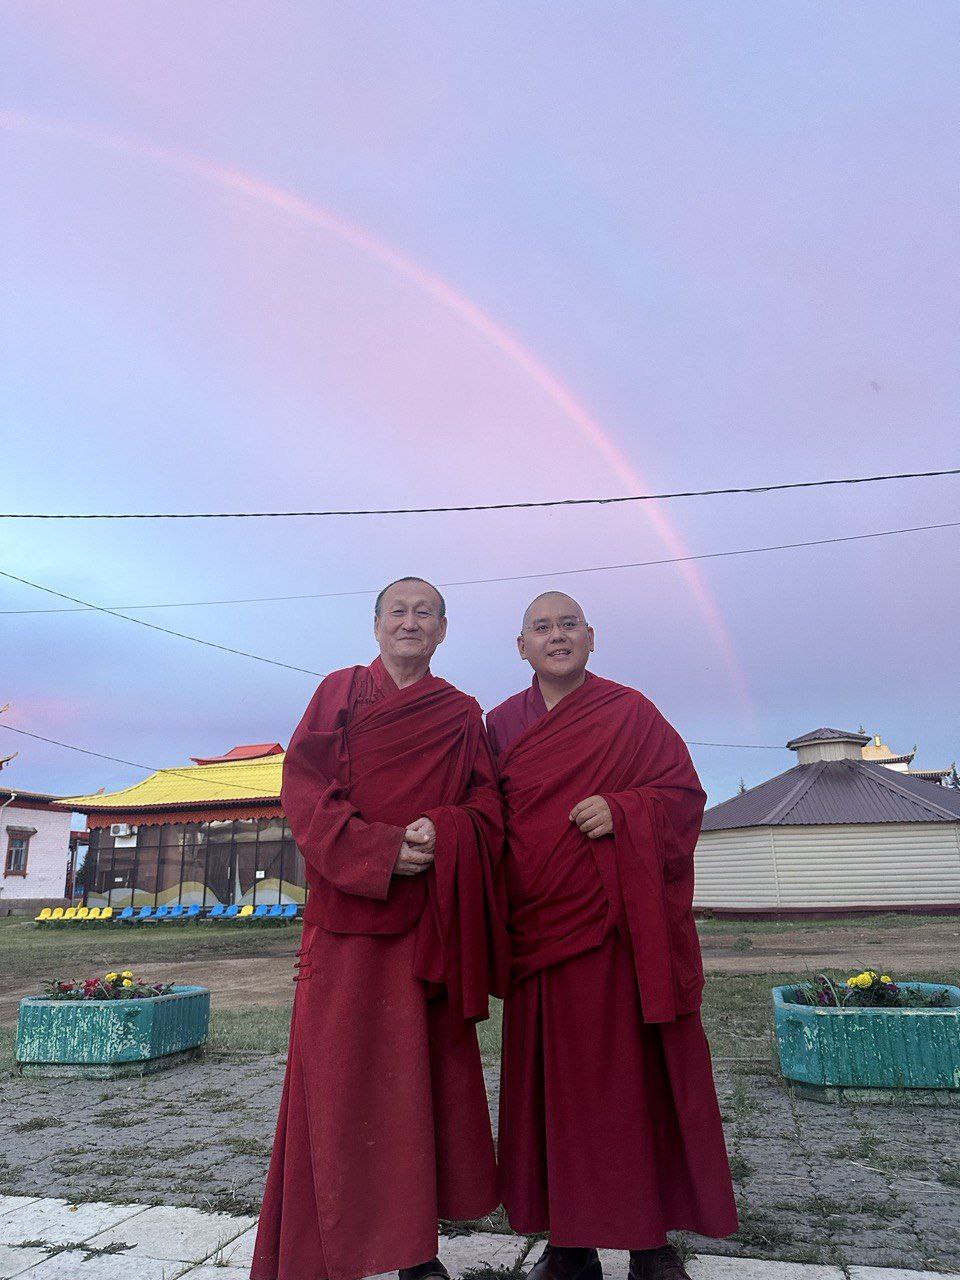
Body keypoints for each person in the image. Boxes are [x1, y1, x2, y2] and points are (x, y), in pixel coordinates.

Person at [251, 577, 509, 1280]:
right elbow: (303, 789)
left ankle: (414, 1251)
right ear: (376, 626)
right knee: (337, 1085)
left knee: (415, 1091)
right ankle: (322, 1246)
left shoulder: (460, 714)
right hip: (348, 922)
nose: (410, 622)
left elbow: (487, 807)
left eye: (425, 612)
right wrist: (378, 850)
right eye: (398, 611)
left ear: (443, 630)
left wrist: (446, 830)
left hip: (428, 926)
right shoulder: (339, 692)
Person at [487, 591, 737, 1280]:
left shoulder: (631, 713)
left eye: (569, 625)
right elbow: (486, 820)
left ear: (591, 638)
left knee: (631, 1089)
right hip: (539, 933)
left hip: (618, 937)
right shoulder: (501, 724)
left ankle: (649, 1245)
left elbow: (684, 797)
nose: (557, 635)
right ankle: (569, 1245)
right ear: (522, 647)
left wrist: (626, 811)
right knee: (556, 1097)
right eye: (542, 627)